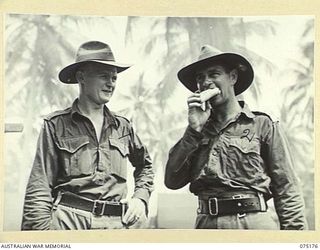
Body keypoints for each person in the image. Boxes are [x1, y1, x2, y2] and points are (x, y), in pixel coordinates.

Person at [164, 45, 307, 230]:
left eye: (214, 74)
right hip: (207, 225)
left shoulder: (262, 124)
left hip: (252, 223)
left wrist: (294, 239)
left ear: (232, 77)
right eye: (200, 77)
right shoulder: (196, 132)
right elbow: (172, 181)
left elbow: (287, 187)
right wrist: (193, 131)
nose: (206, 82)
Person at [21, 41, 154, 230]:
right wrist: (40, 236)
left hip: (116, 226)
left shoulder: (123, 126)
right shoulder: (56, 125)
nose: (111, 84)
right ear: (81, 77)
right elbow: (39, 186)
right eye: (103, 76)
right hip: (69, 223)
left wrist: (140, 198)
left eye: (114, 78)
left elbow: (145, 166)